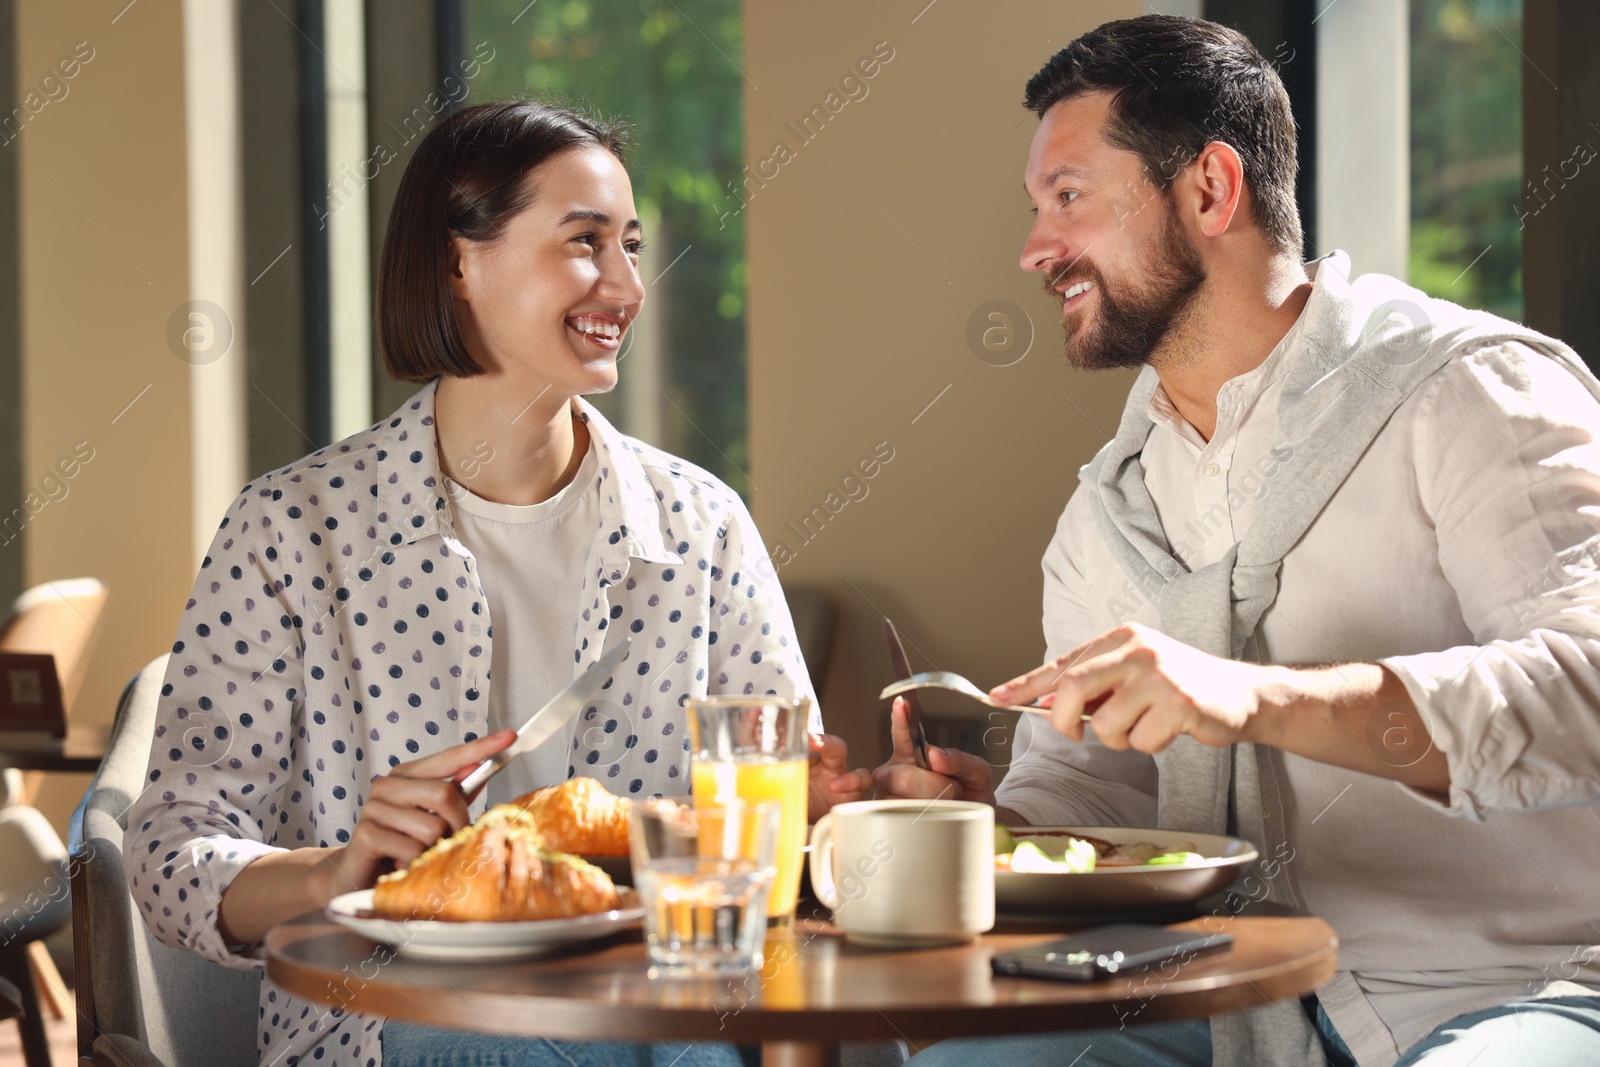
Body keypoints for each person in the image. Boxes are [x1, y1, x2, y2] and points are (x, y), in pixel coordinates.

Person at [873, 15, 1600, 1067]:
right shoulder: (1106, 518)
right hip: (1209, 1000)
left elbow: (1585, 689)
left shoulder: (1468, 392)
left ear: (1210, 190)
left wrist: (1252, 696)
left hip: (1505, 986)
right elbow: (1090, 795)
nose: (1033, 249)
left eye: (1068, 198)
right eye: (1036, 208)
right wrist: (981, 824)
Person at [123, 100, 873, 1067]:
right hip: (391, 1018)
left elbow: (784, 808)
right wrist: (341, 869)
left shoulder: (702, 522)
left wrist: (843, 808)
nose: (628, 285)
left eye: (632, 245)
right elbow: (169, 854)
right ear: (455, 262)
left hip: (678, 1006)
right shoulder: (291, 530)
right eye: (585, 243)